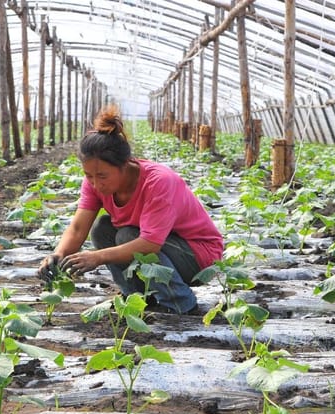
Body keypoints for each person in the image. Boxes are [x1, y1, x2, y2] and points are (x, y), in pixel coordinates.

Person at [37, 106, 224, 315]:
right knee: (102, 228)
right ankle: (138, 298)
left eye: (102, 176)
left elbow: (150, 244)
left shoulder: (159, 182)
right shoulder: (94, 183)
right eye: (89, 175)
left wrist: (97, 257)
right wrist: (58, 254)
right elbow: (79, 228)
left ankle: (181, 304)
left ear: (125, 165)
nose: (95, 183)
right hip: (161, 249)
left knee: (127, 235)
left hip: (198, 257)